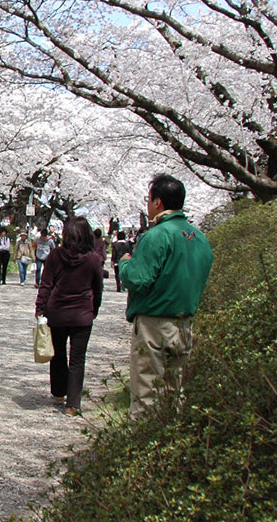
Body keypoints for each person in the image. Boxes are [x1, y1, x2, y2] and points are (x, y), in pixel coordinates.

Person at [118, 174, 214, 417]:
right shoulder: (199, 238)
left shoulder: (157, 235)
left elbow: (137, 278)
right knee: (173, 389)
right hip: (184, 324)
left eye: (148, 200)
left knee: (147, 391)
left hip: (154, 322)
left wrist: (125, 264)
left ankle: (142, 446)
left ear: (158, 202)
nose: (148, 205)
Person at [35, 217, 104, 416]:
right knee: (77, 359)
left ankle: (58, 392)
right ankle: (73, 405)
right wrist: (94, 309)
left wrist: (40, 308)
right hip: (82, 315)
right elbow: (97, 289)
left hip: (57, 313)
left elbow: (46, 284)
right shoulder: (93, 259)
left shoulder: (56, 255)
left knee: (58, 355)